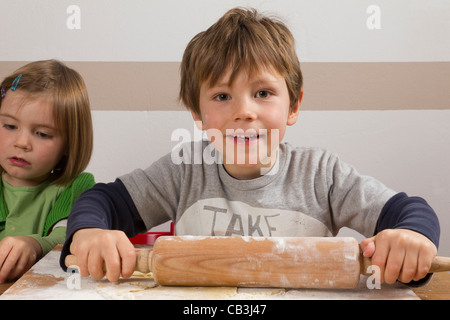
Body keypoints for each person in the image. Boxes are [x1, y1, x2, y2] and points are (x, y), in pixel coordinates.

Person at [60, 8, 439, 286]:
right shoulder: (182, 170)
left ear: (293, 106)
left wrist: (411, 239)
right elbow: (102, 201)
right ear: (198, 113)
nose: (244, 112)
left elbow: (407, 211)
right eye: (222, 95)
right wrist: (90, 232)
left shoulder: (322, 175)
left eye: (263, 93)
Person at [0, 60, 95, 283]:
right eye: (10, 126)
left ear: (69, 145)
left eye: (42, 133)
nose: (22, 143)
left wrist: (34, 245)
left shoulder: (74, 187)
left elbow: (70, 237)